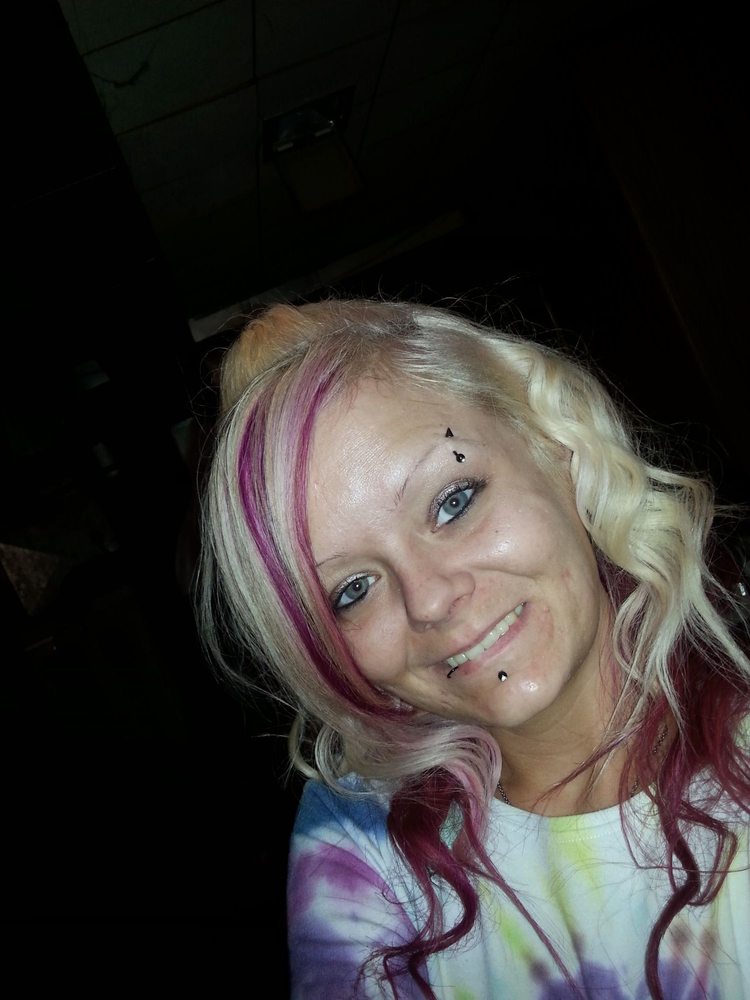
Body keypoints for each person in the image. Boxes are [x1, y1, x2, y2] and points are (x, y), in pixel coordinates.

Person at [196, 297, 749, 999]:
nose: (429, 600)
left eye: (454, 500)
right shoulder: (365, 842)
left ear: (555, 447)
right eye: (352, 590)